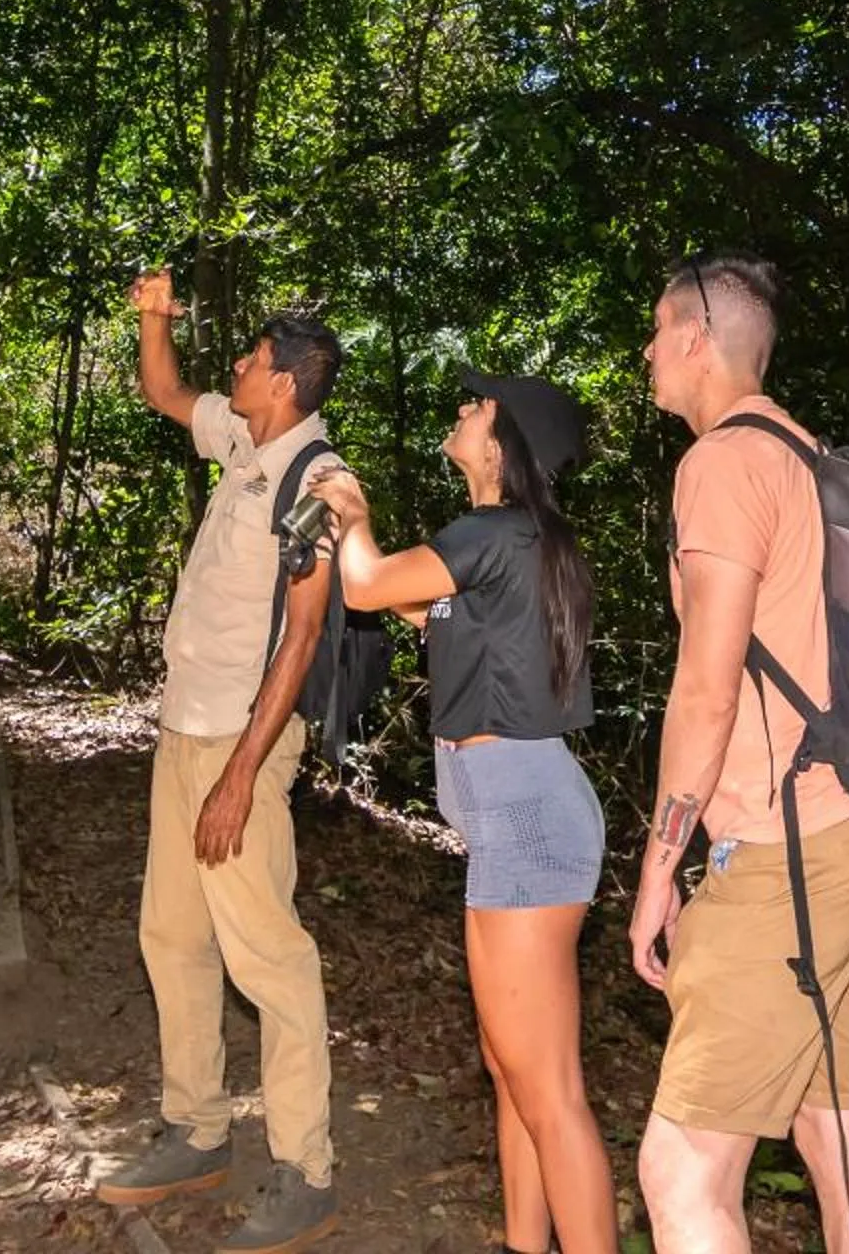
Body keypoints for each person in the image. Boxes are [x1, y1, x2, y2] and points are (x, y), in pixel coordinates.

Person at [627, 254, 849, 1254]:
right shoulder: (808, 452)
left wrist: (659, 867)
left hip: (790, 849)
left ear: (697, 338)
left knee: (681, 1167)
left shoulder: (722, 464)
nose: (648, 350)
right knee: (837, 1132)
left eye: (658, 331)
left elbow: (706, 688)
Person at [309, 369, 618, 1254]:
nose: (460, 408)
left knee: (549, 1087)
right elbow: (417, 605)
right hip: (515, 821)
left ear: (503, 440)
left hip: (527, 822)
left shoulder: (489, 533)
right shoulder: (524, 543)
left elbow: (367, 588)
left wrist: (354, 515)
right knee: (513, 1071)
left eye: (475, 405)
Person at [96, 267, 346, 1254]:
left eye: (247, 358)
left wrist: (244, 771)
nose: (232, 367)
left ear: (282, 379)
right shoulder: (245, 439)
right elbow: (164, 391)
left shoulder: (320, 484)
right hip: (184, 727)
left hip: (243, 741)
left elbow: (303, 636)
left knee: (270, 955)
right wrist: (153, 315)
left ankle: (307, 1170)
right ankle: (197, 1126)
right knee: (174, 934)